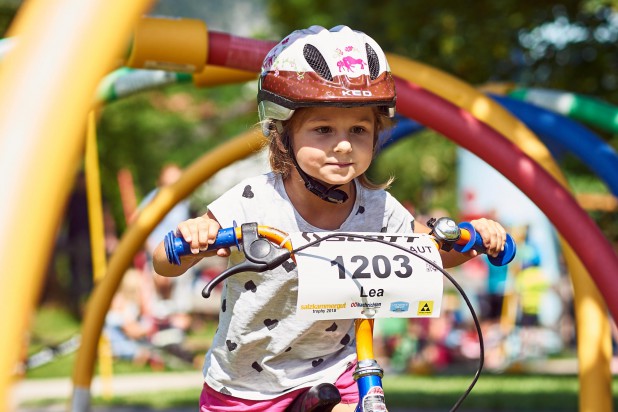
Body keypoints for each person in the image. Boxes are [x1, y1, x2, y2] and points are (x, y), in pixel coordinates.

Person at [152, 25, 508, 412]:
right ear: (282, 133)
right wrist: (196, 236)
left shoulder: (378, 208)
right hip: (247, 385)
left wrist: (476, 241)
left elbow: (428, 254)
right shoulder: (253, 201)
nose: (342, 144)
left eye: (358, 129)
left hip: (339, 372)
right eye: (323, 129)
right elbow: (165, 263)